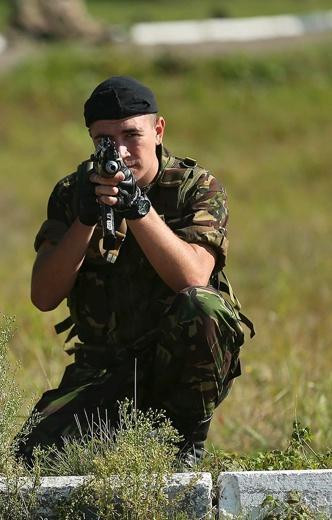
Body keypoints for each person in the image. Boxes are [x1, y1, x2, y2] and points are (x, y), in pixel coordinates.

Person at [18, 76, 254, 464]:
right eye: (105, 141)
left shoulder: (195, 189)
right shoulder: (72, 192)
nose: (121, 152)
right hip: (103, 371)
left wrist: (138, 209)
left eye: (132, 135)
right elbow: (44, 296)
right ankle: (119, 434)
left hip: (175, 368)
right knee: (27, 461)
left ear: (158, 131)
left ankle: (184, 442)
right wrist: (84, 219)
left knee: (204, 306)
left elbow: (193, 278)